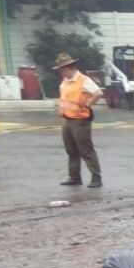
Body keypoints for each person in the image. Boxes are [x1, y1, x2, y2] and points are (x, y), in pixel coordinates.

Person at [54, 52, 104, 187]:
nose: (60, 72)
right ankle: (74, 177)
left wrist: (88, 104)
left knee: (86, 150)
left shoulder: (83, 80)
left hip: (80, 121)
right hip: (67, 119)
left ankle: (96, 178)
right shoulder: (65, 81)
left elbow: (98, 93)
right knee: (71, 150)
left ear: (69, 67)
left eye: (61, 69)